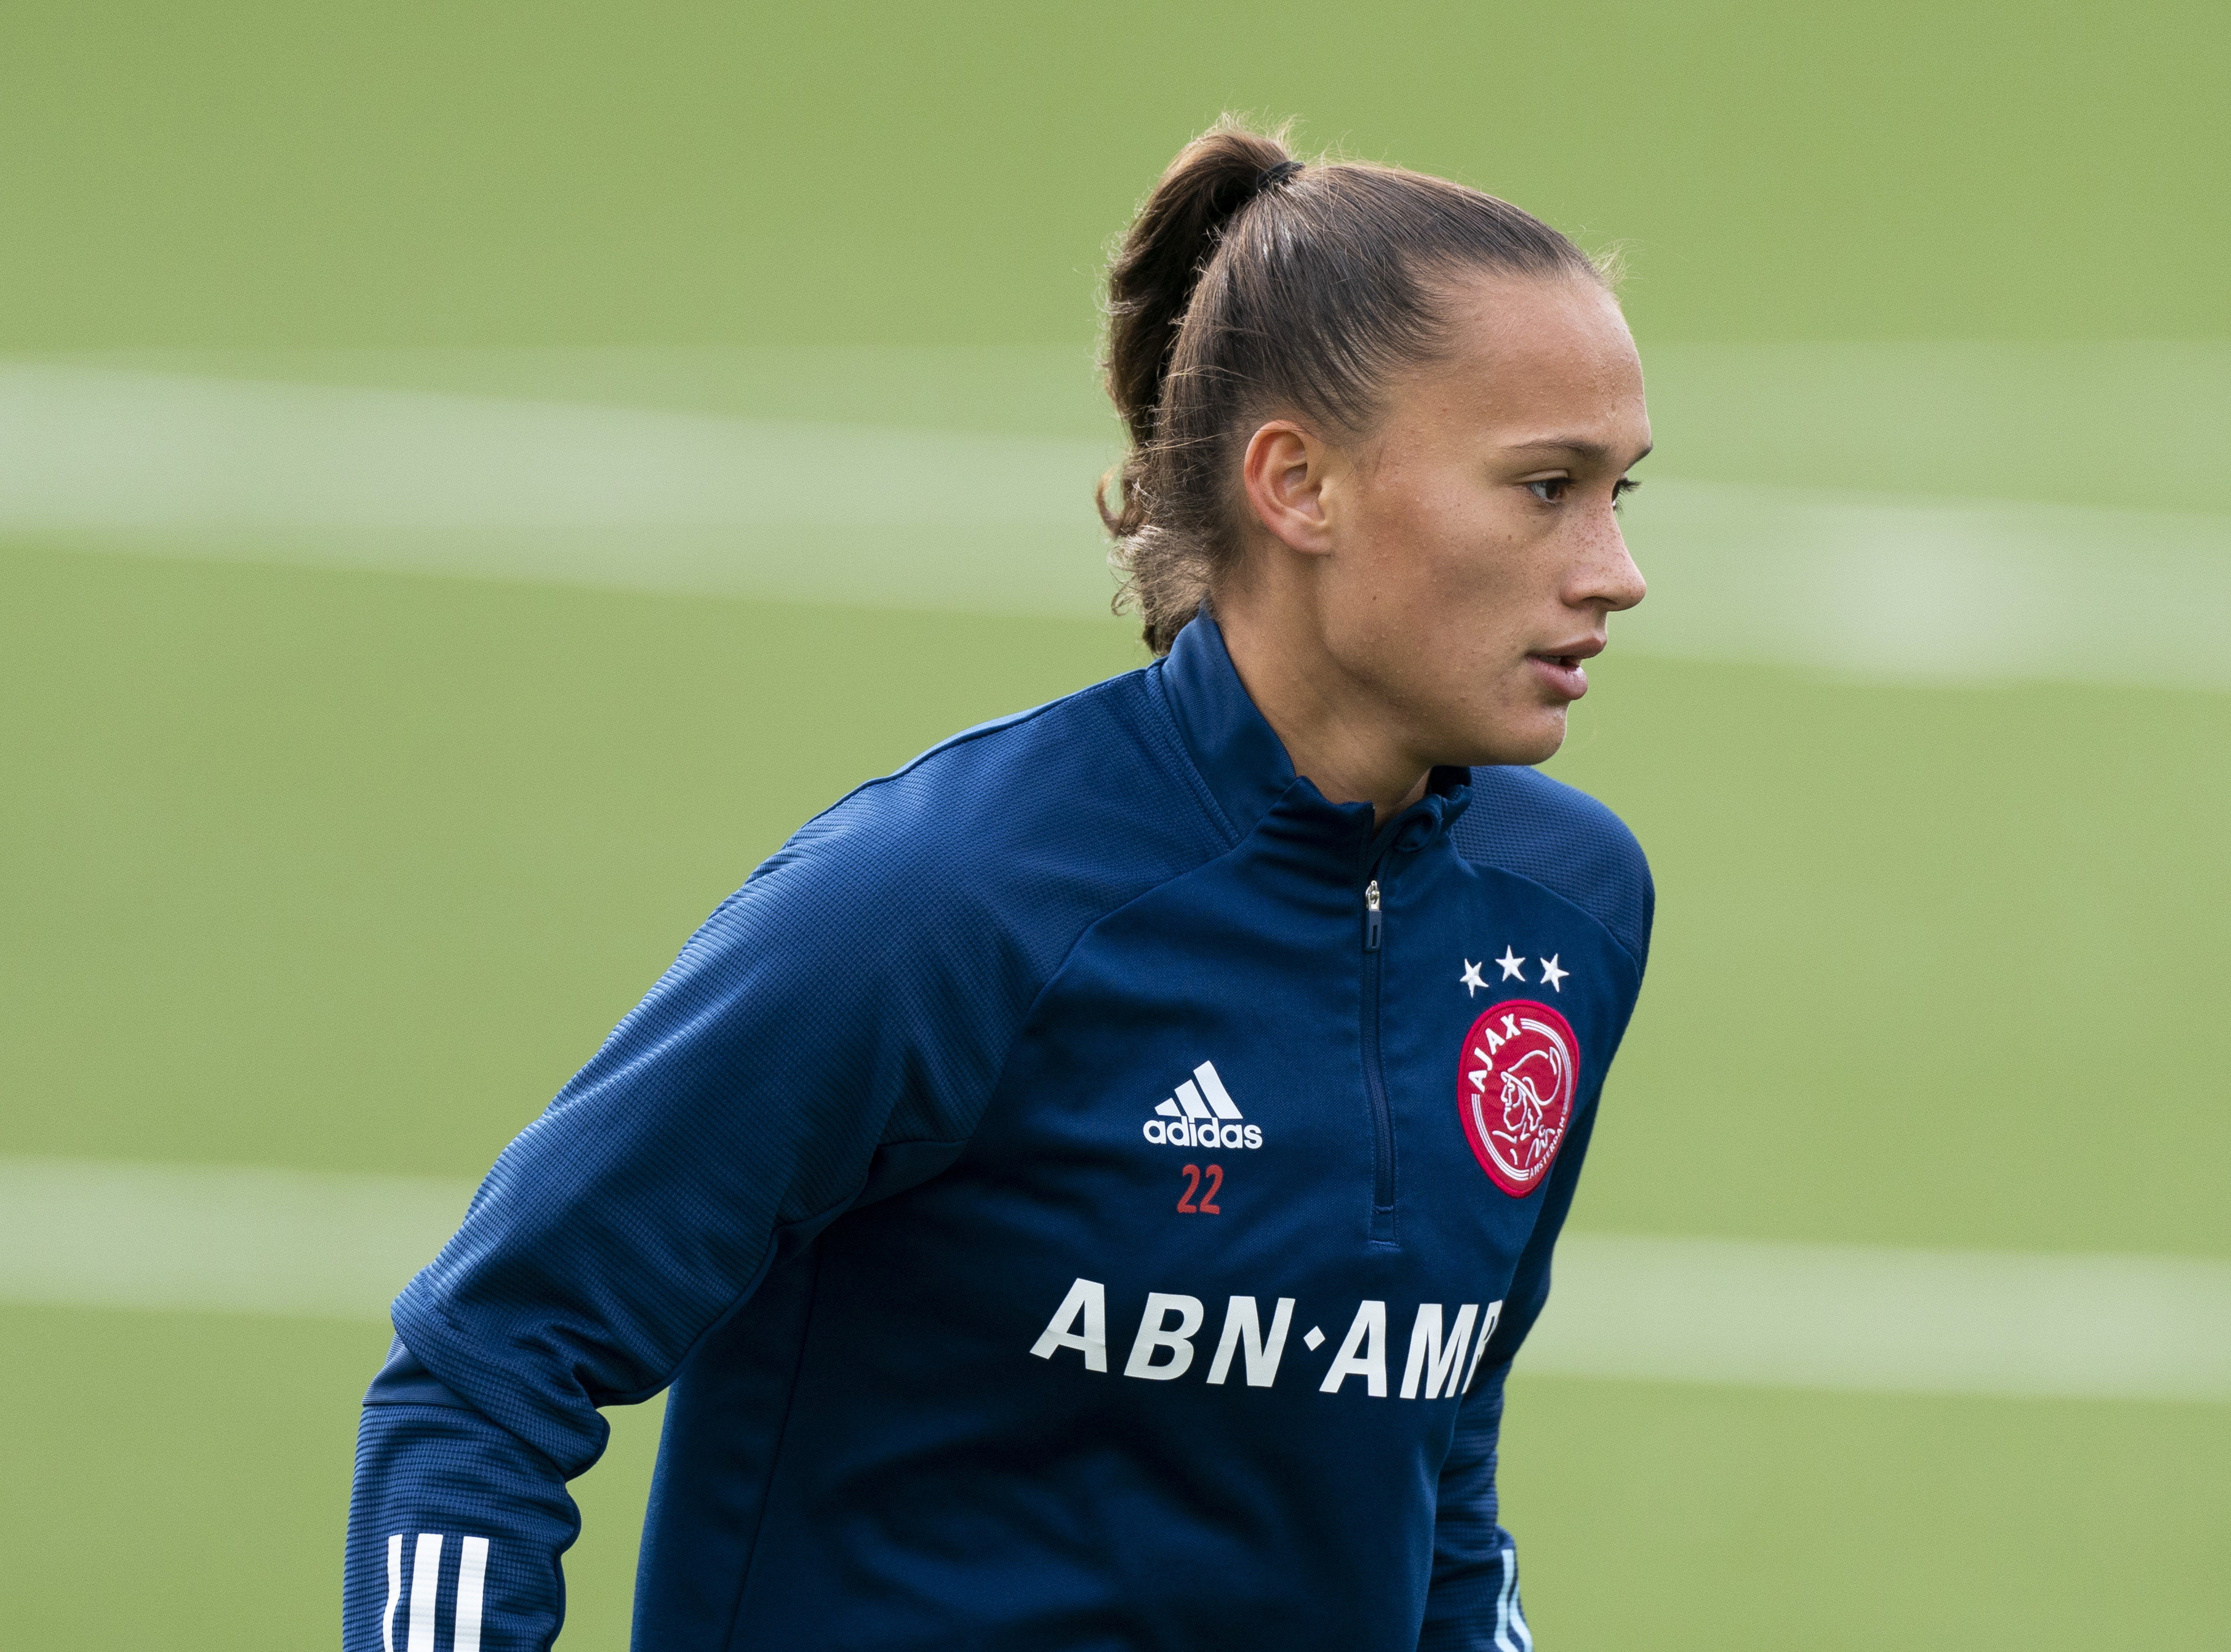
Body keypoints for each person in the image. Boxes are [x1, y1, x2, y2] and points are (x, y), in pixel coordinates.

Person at [344, 118, 1654, 1652]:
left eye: (1624, 491)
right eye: (1545, 487)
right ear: (1298, 485)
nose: (1614, 569)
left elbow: (1430, 1463)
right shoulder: (942, 903)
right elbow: (490, 1364)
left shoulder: (1559, 913)